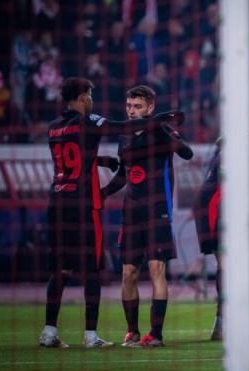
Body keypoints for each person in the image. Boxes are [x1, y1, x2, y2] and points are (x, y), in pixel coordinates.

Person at [39, 78, 183, 348]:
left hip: (56, 202)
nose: (92, 100)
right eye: (90, 95)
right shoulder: (89, 121)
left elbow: (75, 157)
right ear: (82, 98)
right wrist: (159, 119)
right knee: (92, 271)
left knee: (60, 270)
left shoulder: (53, 128)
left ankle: (48, 332)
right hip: (83, 204)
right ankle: (91, 336)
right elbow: (120, 127)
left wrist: (101, 162)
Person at [100, 85, 193, 348]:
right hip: (131, 212)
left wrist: (162, 131)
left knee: (156, 270)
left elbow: (187, 152)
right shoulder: (124, 136)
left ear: (150, 107)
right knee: (128, 273)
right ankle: (132, 332)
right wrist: (103, 192)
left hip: (158, 211)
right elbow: (123, 174)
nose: (131, 111)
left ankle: (157, 334)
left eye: (137, 107)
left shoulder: (161, 131)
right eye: (129, 106)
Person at [194, 137, 224, 340]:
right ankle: (222, 326)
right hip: (214, 214)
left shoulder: (219, 156)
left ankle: (221, 326)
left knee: (227, 270)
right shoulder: (230, 157)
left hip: (209, 212)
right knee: (229, 270)